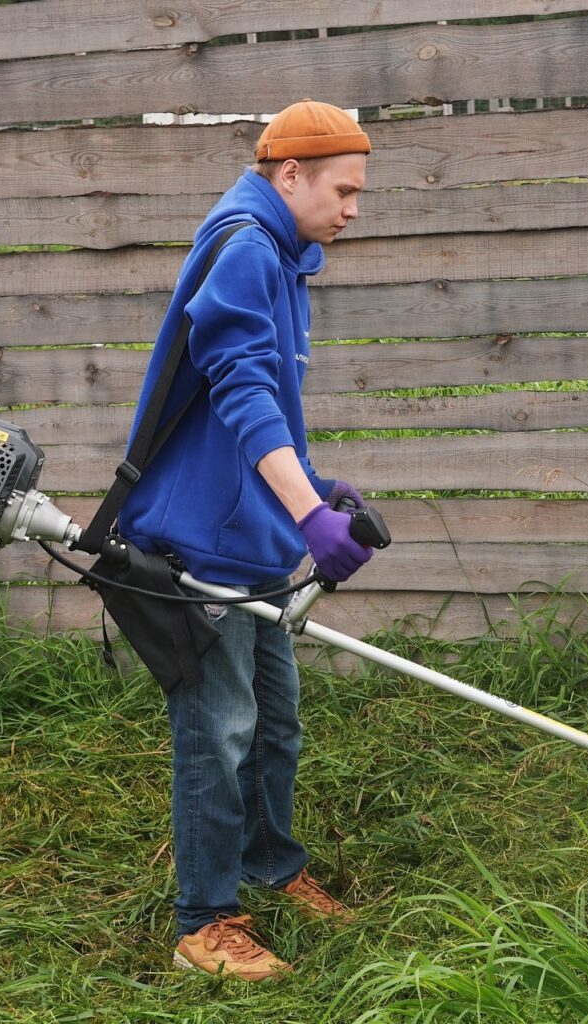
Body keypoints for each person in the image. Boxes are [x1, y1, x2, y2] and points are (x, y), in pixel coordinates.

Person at [116, 99, 377, 980]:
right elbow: (238, 387)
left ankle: (271, 864)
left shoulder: (286, 263)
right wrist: (309, 516)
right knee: (217, 729)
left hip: (255, 545)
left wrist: (315, 484)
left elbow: (271, 414)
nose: (352, 208)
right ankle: (203, 921)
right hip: (204, 549)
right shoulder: (243, 248)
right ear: (288, 175)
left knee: (275, 726)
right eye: (342, 189)